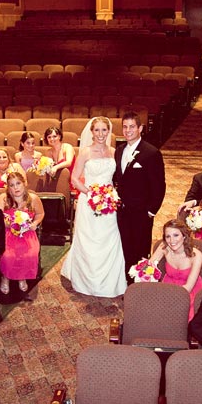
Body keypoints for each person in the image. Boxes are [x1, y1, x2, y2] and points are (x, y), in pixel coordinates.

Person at [61, 117, 126, 298]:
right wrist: (91, 194)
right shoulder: (85, 153)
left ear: (109, 132)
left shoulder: (114, 152)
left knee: (110, 236)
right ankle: (86, 280)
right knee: (89, 238)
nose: (100, 134)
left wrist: (109, 195)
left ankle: (110, 281)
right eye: (96, 130)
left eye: (104, 130)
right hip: (89, 200)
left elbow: (118, 178)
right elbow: (74, 178)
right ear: (91, 132)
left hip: (109, 201)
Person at [113, 111, 166, 279]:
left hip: (141, 212)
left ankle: (138, 285)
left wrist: (151, 211)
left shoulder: (151, 152)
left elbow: (159, 185)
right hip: (122, 211)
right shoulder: (119, 151)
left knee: (141, 250)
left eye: (132, 127)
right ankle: (127, 282)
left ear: (140, 128)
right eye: (125, 127)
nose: (128, 130)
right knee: (125, 248)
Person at [0, 172, 44, 297]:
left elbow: (40, 214)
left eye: (18, 184)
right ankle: (5, 277)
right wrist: (6, 223)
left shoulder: (33, 198)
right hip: (7, 232)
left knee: (30, 253)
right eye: (12, 185)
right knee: (8, 255)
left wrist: (35, 224)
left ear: (24, 184)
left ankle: (22, 277)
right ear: (8, 187)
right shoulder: (3, 198)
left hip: (27, 233)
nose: (15, 188)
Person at [149, 219, 202, 321]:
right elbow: (148, 267)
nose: (172, 241)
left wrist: (170, 299)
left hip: (189, 290)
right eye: (168, 236)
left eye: (176, 235)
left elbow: (188, 287)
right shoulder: (164, 247)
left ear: (184, 236)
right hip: (168, 285)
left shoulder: (196, 255)